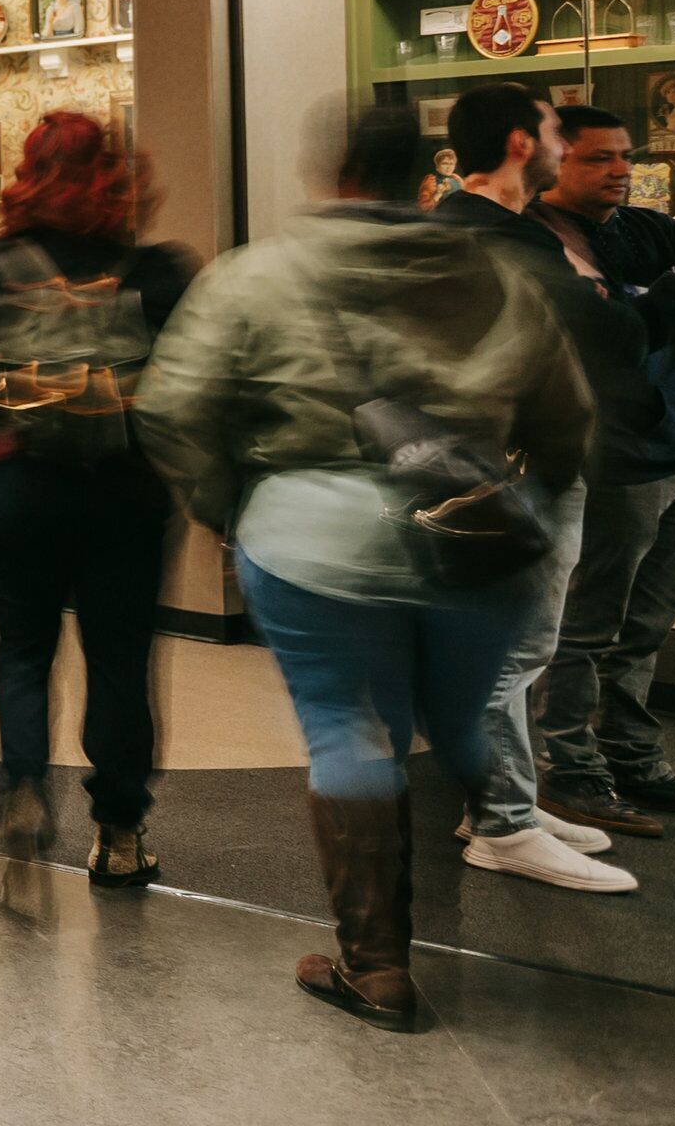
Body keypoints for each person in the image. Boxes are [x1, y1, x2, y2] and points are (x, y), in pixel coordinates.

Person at [138, 104, 591, 1030]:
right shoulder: (496, 270)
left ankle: (376, 964)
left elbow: (172, 408)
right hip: (472, 540)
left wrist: (233, 508)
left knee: (348, 730)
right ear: (423, 177)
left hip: (313, 536)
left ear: (330, 171)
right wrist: (521, 497)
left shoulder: (255, 275)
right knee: (456, 717)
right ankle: (479, 814)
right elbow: (564, 419)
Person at [0, 111, 192, 888]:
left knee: (21, 649)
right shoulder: (159, 269)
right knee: (120, 660)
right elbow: (191, 387)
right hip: (128, 490)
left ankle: (22, 791)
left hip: (20, 489)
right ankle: (118, 830)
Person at [534, 103, 675, 836]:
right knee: (590, 624)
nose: (620, 171)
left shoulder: (638, 228)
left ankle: (633, 759)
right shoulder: (536, 245)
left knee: (649, 622)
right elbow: (629, 339)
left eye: (625, 155)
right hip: (614, 459)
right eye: (598, 158)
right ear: (553, 161)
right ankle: (570, 772)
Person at [426, 84, 637, 891]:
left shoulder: (492, 228)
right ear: (521, 143)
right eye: (553, 130)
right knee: (506, 653)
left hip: (521, 461)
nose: (562, 143)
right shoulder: (496, 236)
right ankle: (503, 826)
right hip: (513, 467)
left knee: (520, 648)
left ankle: (499, 801)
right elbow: (612, 337)